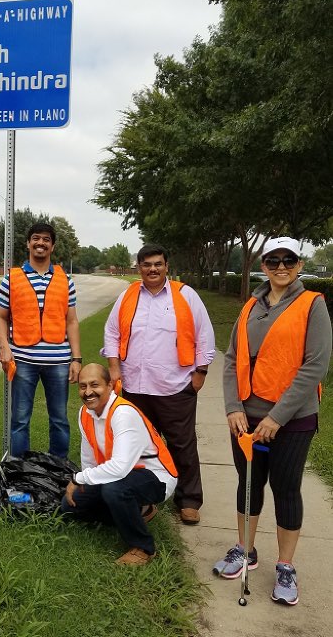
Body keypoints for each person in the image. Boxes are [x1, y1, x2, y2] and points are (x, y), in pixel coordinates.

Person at [213, 236, 332, 606]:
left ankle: (285, 566)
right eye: (273, 260)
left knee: (285, 488)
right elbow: (232, 359)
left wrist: (276, 418)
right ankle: (244, 551)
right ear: (263, 264)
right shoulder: (251, 305)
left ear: (299, 264)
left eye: (289, 260)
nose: (281, 266)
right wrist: (233, 407)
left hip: (292, 420)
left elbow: (315, 366)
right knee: (248, 482)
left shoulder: (313, 304)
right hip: (246, 418)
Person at [103, 243, 215, 524]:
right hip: (134, 388)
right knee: (137, 446)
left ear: (166, 266)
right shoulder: (128, 296)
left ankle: (189, 500)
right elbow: (112, 332)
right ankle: (142, 496)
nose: (152, 269)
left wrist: (199, 374)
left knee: (182, 445)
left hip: (174, 387)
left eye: (158, 264)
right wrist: (114, 368)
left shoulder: (185, 295)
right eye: (146, 265)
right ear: (138, 268)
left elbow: (204, 336)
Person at [61, 363, 177, 565]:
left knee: (114, 490)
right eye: (82, 386)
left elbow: (120, 467)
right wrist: (85, 482)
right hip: (121, 476)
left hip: (155, 477)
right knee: (72, 505)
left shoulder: (123, 413)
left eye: (94, 385)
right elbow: (89, 457)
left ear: (110, 385)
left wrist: (77, 478)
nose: (88, 392)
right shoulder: (85, 413)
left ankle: (143, 548)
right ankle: (140, 511)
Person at [0, 222, 81, 458]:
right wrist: (4, 347)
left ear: (52, 246)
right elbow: (0, 318)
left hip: (59, 362)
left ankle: (57, 470)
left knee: (60, 419)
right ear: (28, 243)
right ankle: (22, 473)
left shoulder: (66, 280)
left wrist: (77, 358)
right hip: (22, 361)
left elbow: (71, 321)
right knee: (20, 420)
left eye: (46, 239)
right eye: (36, 238)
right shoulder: (11, 279)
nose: (40, 243)